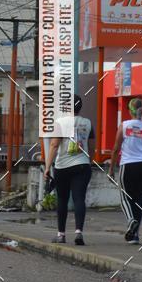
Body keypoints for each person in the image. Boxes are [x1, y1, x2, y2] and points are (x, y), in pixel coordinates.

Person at [44, 95, 94, 245]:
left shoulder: (60, 123)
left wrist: (47, 167)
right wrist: (89, 161)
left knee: (62, 200)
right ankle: (79, 233)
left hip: (63, 167)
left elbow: (54, 145)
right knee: (79, 198)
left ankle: (61, 235)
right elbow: (92, 146)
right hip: (82, 165)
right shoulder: (87, 123)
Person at [110, 96, 142, 244]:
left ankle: (131, 221)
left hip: (128, 165)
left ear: (130, 110)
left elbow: (115, 149)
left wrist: (111, 169)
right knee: (138, 200)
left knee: (125, 197)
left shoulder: (124, 126)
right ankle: (134, 236)